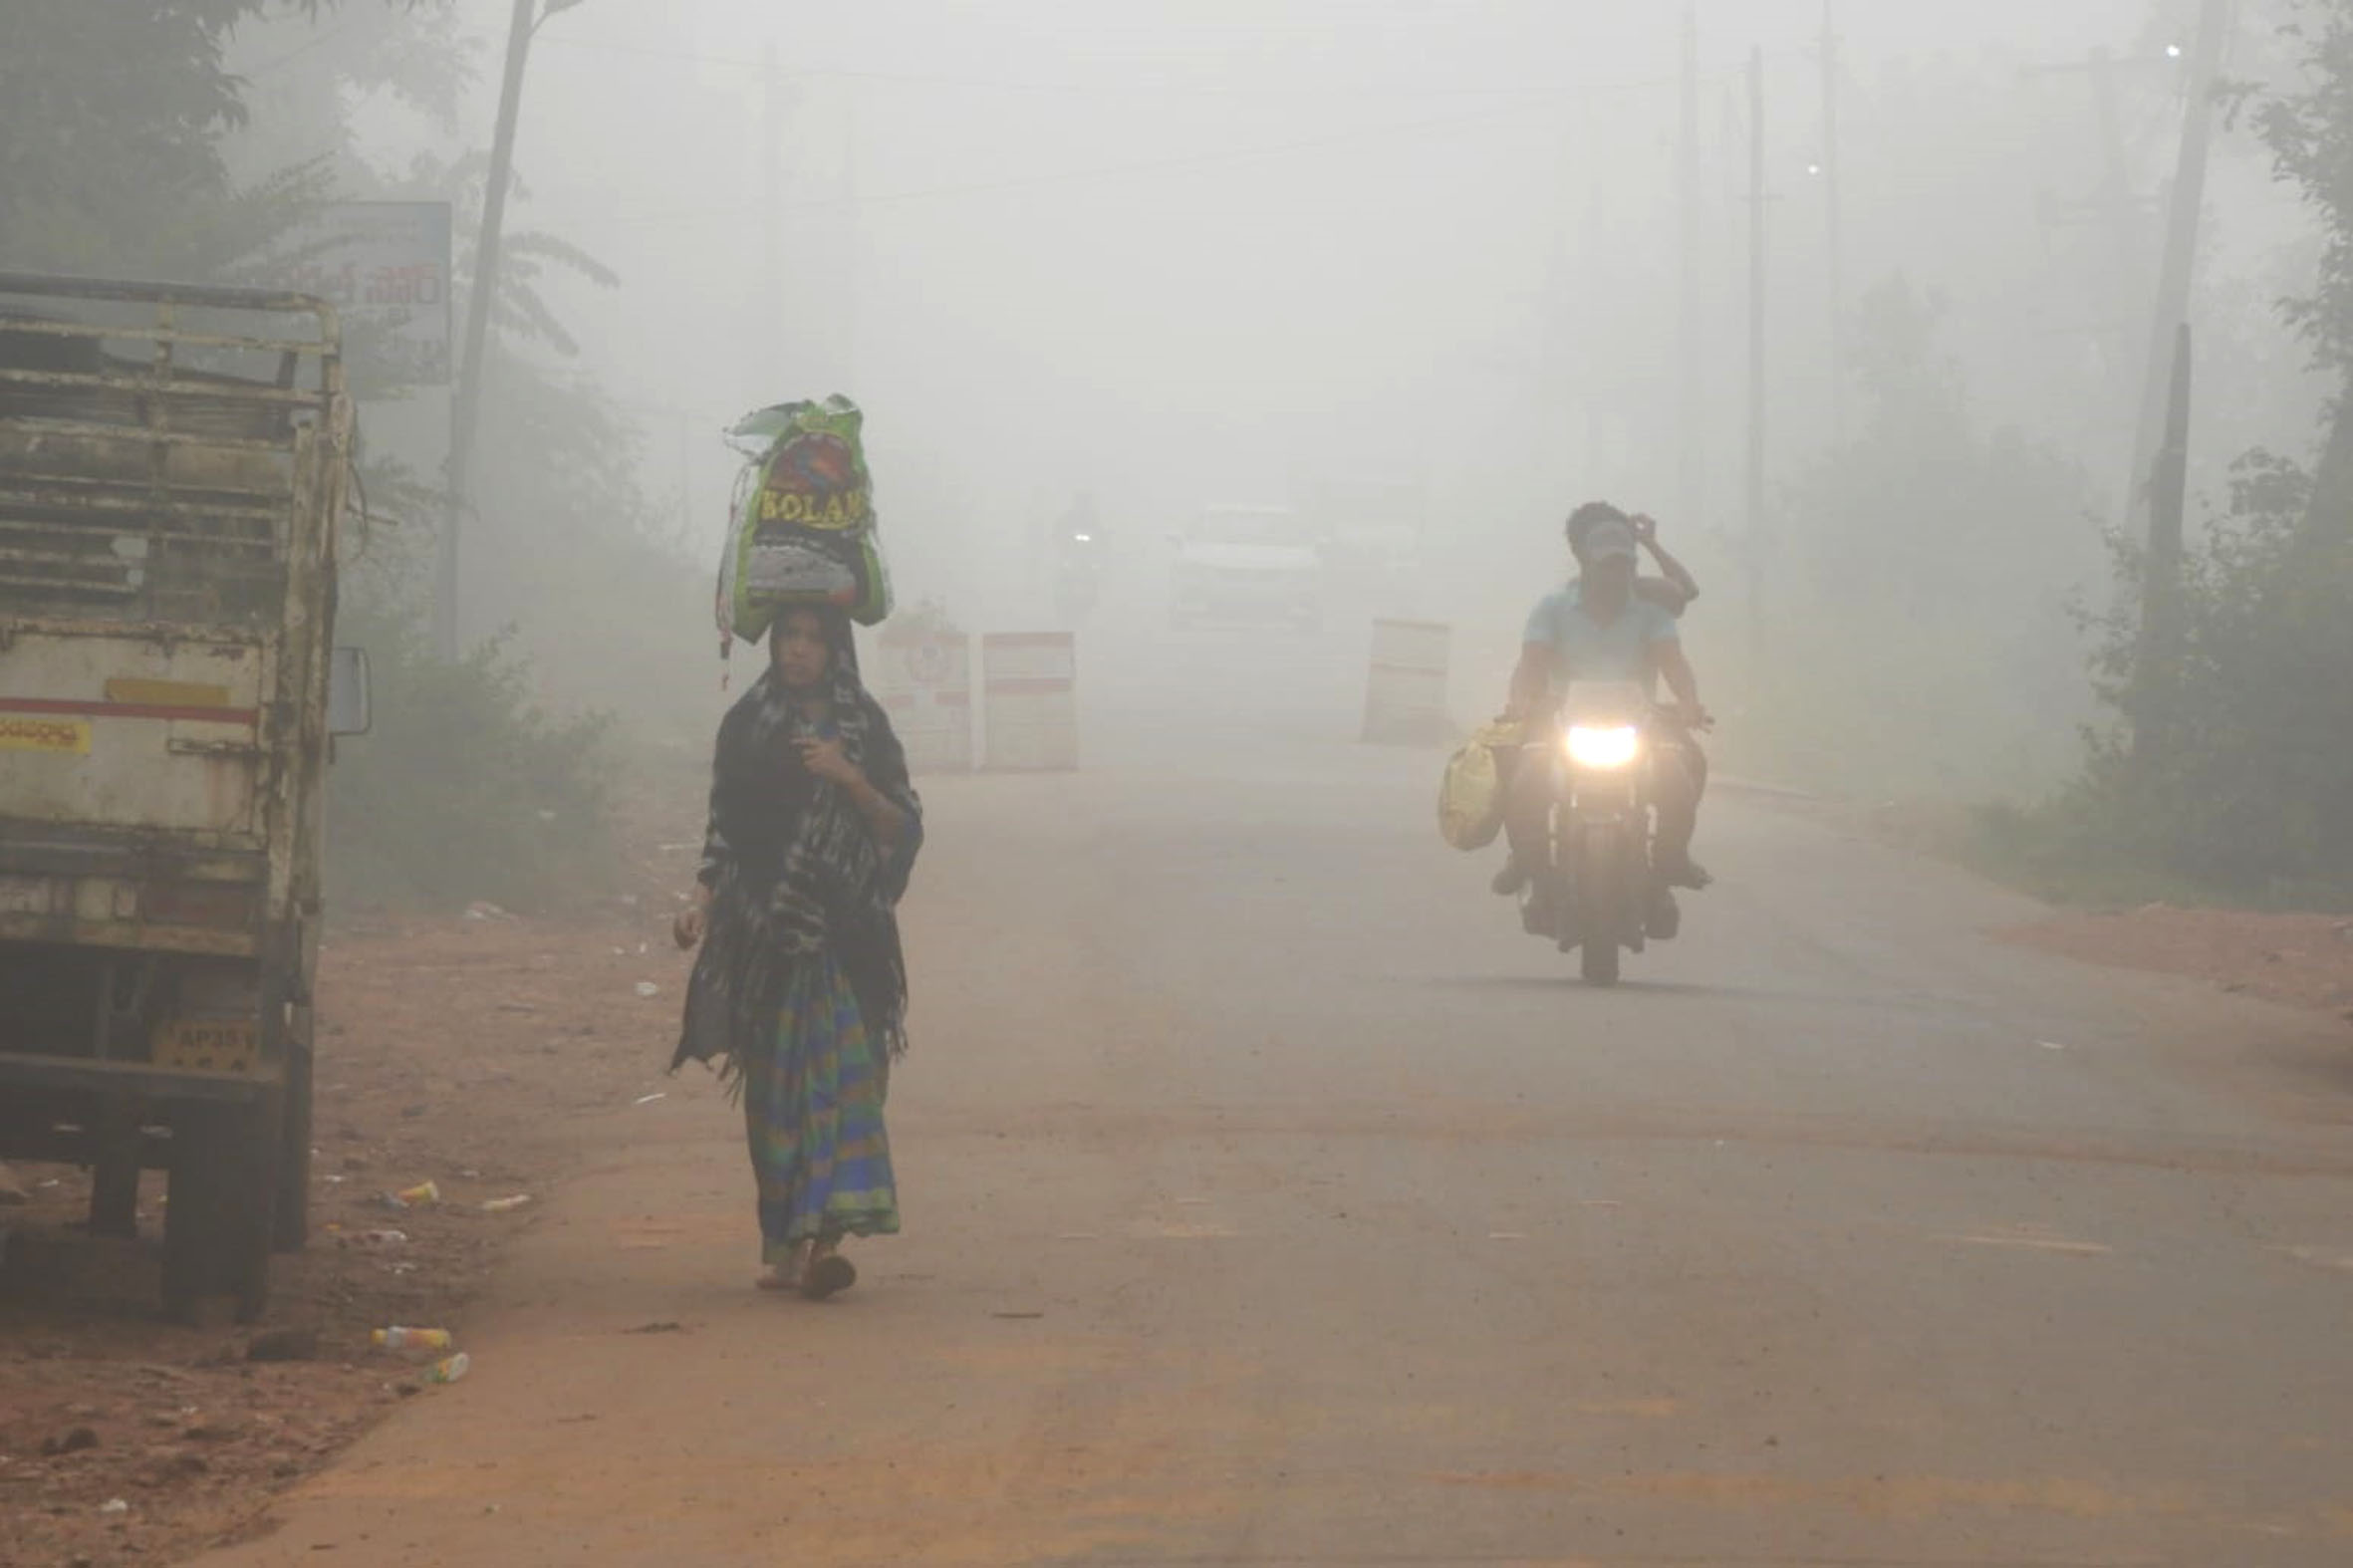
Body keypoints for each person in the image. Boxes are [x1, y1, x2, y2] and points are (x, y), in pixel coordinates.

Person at [672, 605, 923, 1299]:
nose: (798, 651)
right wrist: (699, 903)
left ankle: (824, 1246)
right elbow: (723, 832)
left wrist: (848, 776)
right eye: (789, 637)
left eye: (813, 639)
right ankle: (786, 1240)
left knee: (844, 1091)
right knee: (776, 1102)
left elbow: (900, 826)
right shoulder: (747, 728)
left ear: (835, 648)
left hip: (847, 943)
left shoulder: (864, 726)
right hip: (769, 944)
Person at [1494, 507, 1711, 923]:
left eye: (1625, 564)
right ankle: (1527, 860)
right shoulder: (1553, 607)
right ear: (1585, 562)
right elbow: (1530, 666)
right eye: (1608, 564)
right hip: (1561, 720)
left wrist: (1688, 703)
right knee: (1524, 773)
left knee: (1684, 768)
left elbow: (1675, 664)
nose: (1616, 574)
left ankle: (1669, 863)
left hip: (1641, 722)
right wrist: (1520, 704)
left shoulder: (1652, 609)